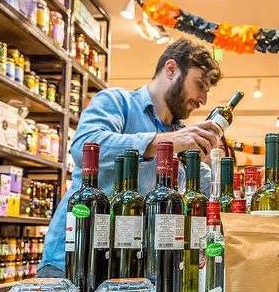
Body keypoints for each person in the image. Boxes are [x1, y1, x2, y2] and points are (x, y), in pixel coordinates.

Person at [39, 38, 223, 276]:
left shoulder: (181, 136)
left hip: (129, 267)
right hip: (71, 260)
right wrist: (164, 142)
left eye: (207, 92)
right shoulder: (117, 102)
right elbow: (85, 146)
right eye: (199, 85)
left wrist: (209, 165)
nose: (203, 100)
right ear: (171, 69)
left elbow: (203, 200)